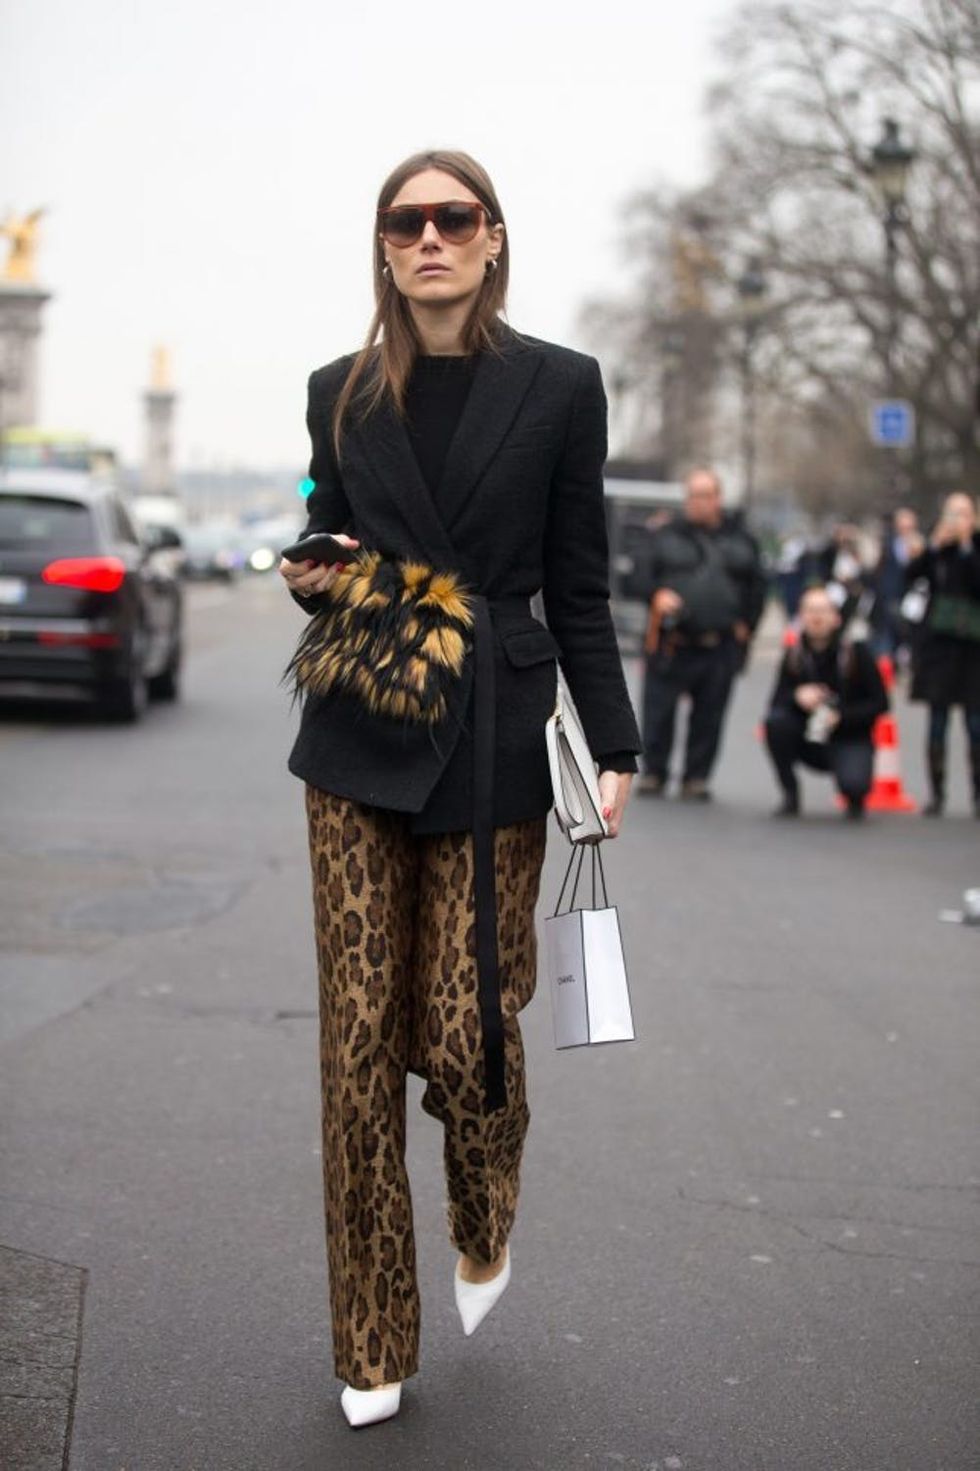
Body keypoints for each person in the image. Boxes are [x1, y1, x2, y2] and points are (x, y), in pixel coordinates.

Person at [277, 150, 641, 1428]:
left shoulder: (560, 387)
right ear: (382, 247)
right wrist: (314, 566)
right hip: (361, 723)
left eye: (453, 218)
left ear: (491, 239)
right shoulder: (338, 391)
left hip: (492, 725)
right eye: (404, 221)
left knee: (464, 1026)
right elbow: (324, 519)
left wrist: (615, 742)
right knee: (359, 1041)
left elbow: (578, 581)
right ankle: (371, 1337)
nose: (429, 238)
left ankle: (482, 1214)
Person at [638, 467, 766, 799]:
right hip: (672, 641)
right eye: (692, 495)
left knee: (710, 713)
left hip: (718, 643)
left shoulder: (741, 539)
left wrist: (747, 626)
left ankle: (696, 777)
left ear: (718, 499)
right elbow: (637, 578)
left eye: (705, 495)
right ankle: (655, 772)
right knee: (659, 710)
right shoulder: (663, 536)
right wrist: (657, 594)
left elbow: (758, 586)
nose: (698, 503)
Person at [764, 584, 888, 818]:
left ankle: (854, 797)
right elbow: (775, 704)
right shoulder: (794, 655)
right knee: (775, 724)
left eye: (822, 611)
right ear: (801, 616)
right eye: (810, 611)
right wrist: (797, 696)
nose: (816, 618)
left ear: (836, 617)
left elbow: (880, 703)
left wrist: (841, 716)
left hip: (848, 735)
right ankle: (790, 793)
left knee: (855, 784)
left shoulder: (856, 653)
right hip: (808, 735)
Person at [904, 492, 980, 817]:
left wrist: (966, 546)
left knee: (975, 724)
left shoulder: (974, 549)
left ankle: (978, 793)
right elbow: (911, 577)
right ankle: (937, 793)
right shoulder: (938, 551)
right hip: (940, 649)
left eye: (963, 514)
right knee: (937, 722)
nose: (956, 520)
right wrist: (934, 546)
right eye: (951, 513)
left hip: (973, 651)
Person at [871, 506, 922, 660]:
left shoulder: (920, 544)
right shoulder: (887, 543)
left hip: (912, 598)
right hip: (890, 596)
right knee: (887, 637)